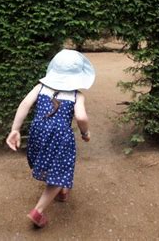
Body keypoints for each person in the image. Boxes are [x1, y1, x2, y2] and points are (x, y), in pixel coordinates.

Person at [6, 49, 95, 228]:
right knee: (60, 170)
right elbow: (82, 118)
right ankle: (38, 211)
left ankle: (62, 192)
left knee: (51, 163)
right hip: (60, 136)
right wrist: (85, 133)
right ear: (78, 75)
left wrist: (15, 129)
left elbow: (24, 104)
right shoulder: (77, 95)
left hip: (38, 131)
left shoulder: (41, 87)